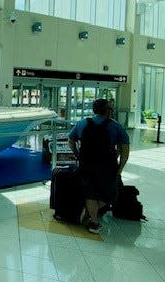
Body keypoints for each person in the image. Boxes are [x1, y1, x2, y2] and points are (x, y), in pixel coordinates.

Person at [68, 98, 130, 234]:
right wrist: (120, 169)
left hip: (86, 165)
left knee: (90, 194)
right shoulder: (115, 126)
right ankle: (93, 215)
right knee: (111, 195)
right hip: (107, 166)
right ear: (108, 110)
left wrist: (78, 155)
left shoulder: (82, 123)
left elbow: (70, 141)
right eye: (110, 108)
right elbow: (125, 151)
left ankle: (93, 221)